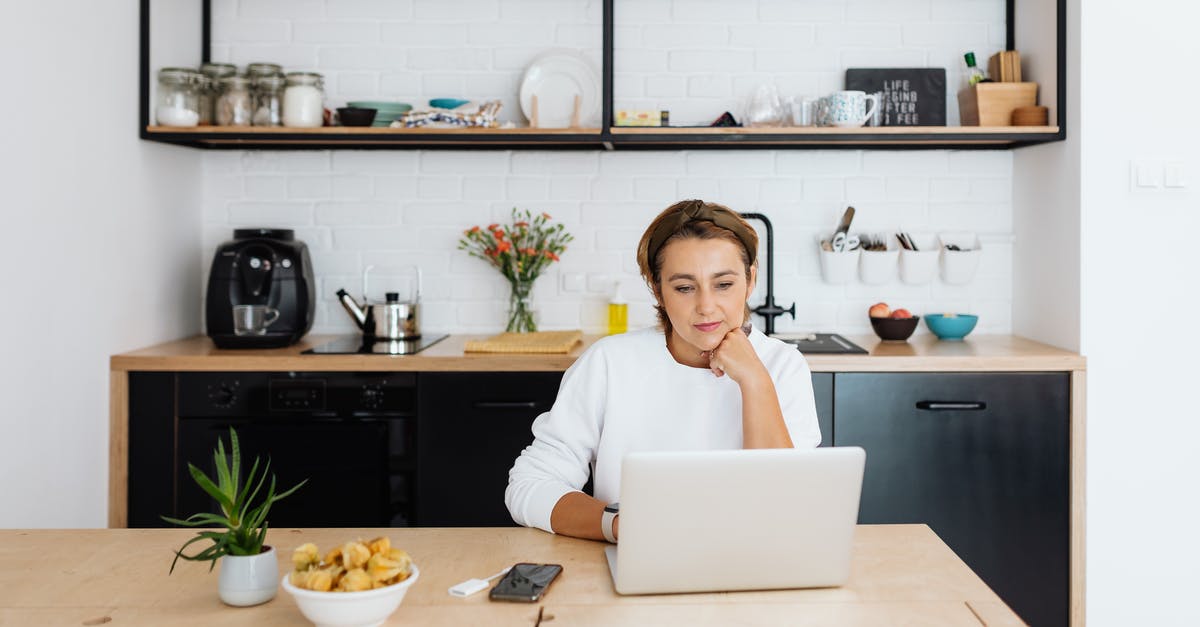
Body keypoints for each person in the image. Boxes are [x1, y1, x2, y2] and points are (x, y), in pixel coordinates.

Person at [504, 199, 821, 542]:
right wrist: (616, 525)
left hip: (757, 563)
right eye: (684, 287)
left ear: (751, 278)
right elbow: (530, 486)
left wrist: (755, 381)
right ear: (657, 288)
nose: (706, 307)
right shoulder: (609, 363)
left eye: (724, 284)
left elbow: (785, 509)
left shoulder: (783, 367)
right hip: (636, 565)